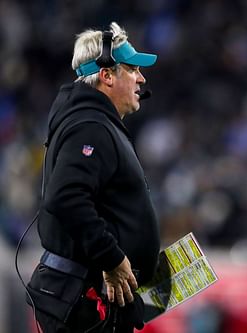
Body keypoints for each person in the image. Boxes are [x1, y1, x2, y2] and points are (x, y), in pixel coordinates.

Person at [25, 22, 161, 333]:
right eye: (131, 69)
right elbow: (66, 197)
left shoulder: (93, 121)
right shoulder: (90, 125)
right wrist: (111, 259)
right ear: (107, 75)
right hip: (81, 300)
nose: (141, 78)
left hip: (90, 297)